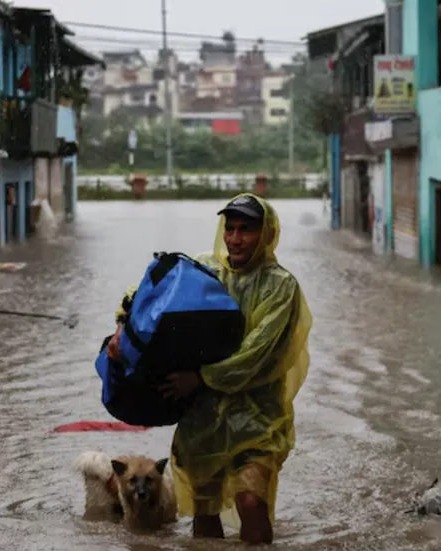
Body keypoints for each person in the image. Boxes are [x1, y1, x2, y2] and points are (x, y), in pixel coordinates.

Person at [106, 193, 312, 544]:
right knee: (204, 511)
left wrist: (200, 377)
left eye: (246, 229)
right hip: (201, 416)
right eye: (230, 228)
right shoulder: (205, 269)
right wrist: (122, 325)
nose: (235, 238)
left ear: (266, 234)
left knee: (250, 501)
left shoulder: (281, 286)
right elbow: (145, 291)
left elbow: (256, 355)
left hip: (257, 417)